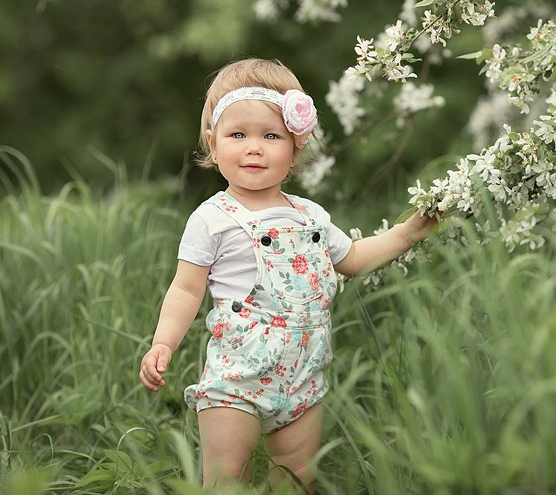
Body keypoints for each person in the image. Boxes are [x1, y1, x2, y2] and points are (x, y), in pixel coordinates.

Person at [138, 58, 438, 491]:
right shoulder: (212, 218)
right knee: (226, 479)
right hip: (236, 379)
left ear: (295, 147)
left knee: (297, 479)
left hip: (303, 378)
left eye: (271, 135)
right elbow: (186, 289)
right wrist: (163, 342)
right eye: (238, 135)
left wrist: (405, 234)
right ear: (213, 143)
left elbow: (354, 257)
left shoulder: (311, 216)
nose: (254, 148)